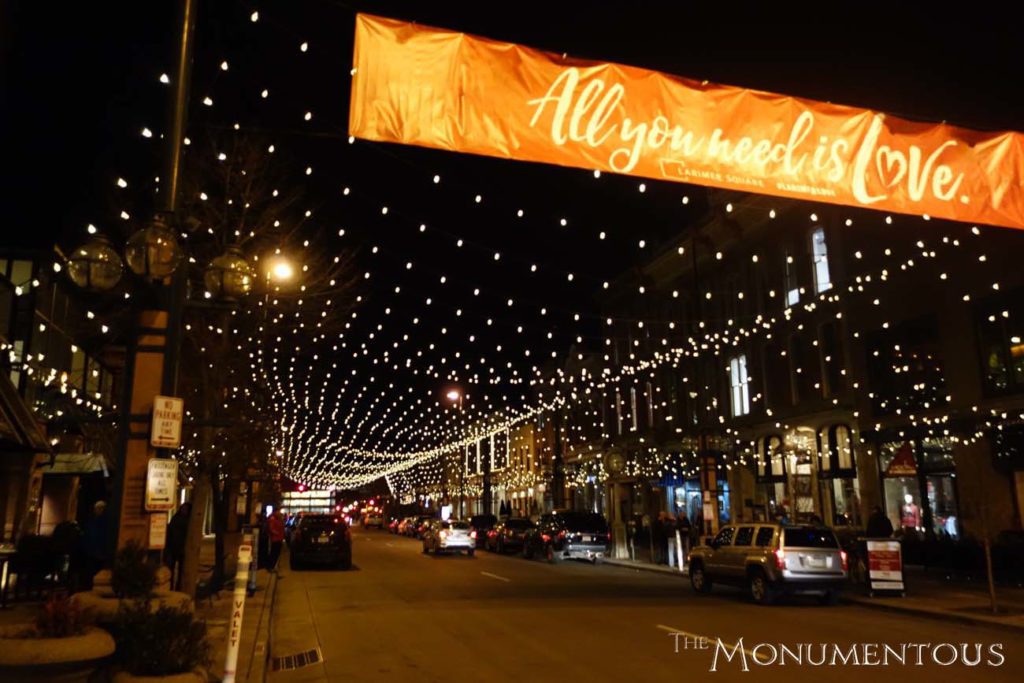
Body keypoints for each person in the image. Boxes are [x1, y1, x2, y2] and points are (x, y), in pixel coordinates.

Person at [81, 501, 108, 589]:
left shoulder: (102, 521)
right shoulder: (92, 521)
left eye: (101, 508)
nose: (98, 510)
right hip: (92, 552)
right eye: (97, 508)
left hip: (98, 552)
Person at [165, 502, 191, 591]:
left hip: (181, 548)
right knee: (171, 569)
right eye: (183, 508)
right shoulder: (176, 518)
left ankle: (178, 587)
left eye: (186, 509)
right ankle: (171, 586)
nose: (184, 510)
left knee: (181, 570)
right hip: (173, 547)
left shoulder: (188, 521)